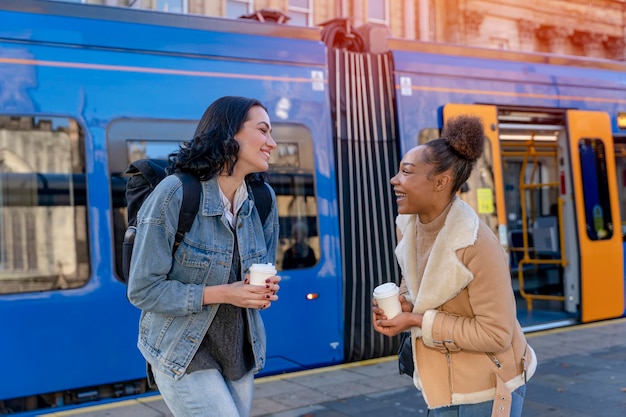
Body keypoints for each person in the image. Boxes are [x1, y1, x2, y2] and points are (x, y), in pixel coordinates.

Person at [127, 96, 281, 417]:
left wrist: (261, 292)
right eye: (263, 131)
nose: (272, 143)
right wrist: (227, 293)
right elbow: (142, 290)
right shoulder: (175, 193)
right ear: (229, 134)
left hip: (238, 352)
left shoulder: (263, 199)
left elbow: (264, 266)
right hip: (183, 350)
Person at [373, 115, 536, 417]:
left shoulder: (477, 244)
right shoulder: (409, 227)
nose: (395, 180)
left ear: (440, 182)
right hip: (442, 383)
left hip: (488, 386)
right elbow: (419, 288)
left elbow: (496, 334)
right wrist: (403, 305)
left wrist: (417, 321)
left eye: (406, 172)